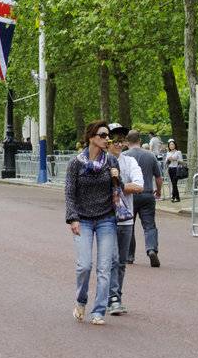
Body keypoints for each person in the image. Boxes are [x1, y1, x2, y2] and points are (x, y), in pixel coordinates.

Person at [64, 120, 120, 325]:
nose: (107, 139)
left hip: (106, 218)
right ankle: (81, 301)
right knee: (84, 266)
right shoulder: (75, 163)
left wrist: (118, 179)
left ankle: (99, 311)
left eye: (108, 136)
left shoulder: (111, 162)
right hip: (83, 219)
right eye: (103, 135)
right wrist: (73, 218)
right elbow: (69, 193)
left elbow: (117, 190)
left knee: (104, 268)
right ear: (91, 138)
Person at [105, 127, 145, 317]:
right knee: (110, 260)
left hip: (125, 219)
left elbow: (139, 185)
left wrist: (117, 186)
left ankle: (115, 297)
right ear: (107, 143)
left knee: (120, 262)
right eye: (115, 141)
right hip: (104, 218)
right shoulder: (100, 162)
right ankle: (112, 298)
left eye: (122, 141)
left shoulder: (130, 162)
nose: (119, 144)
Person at [126, 130, 163, 266]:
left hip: (130, 195)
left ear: (126, 142)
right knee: (149, 226)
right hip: (147, 194)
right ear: (140, 140)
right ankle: (151, 249)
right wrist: (158, 191)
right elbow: (159, 178)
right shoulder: (150, 156)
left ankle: (129, 256)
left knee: (129, 225)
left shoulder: (124, 156)